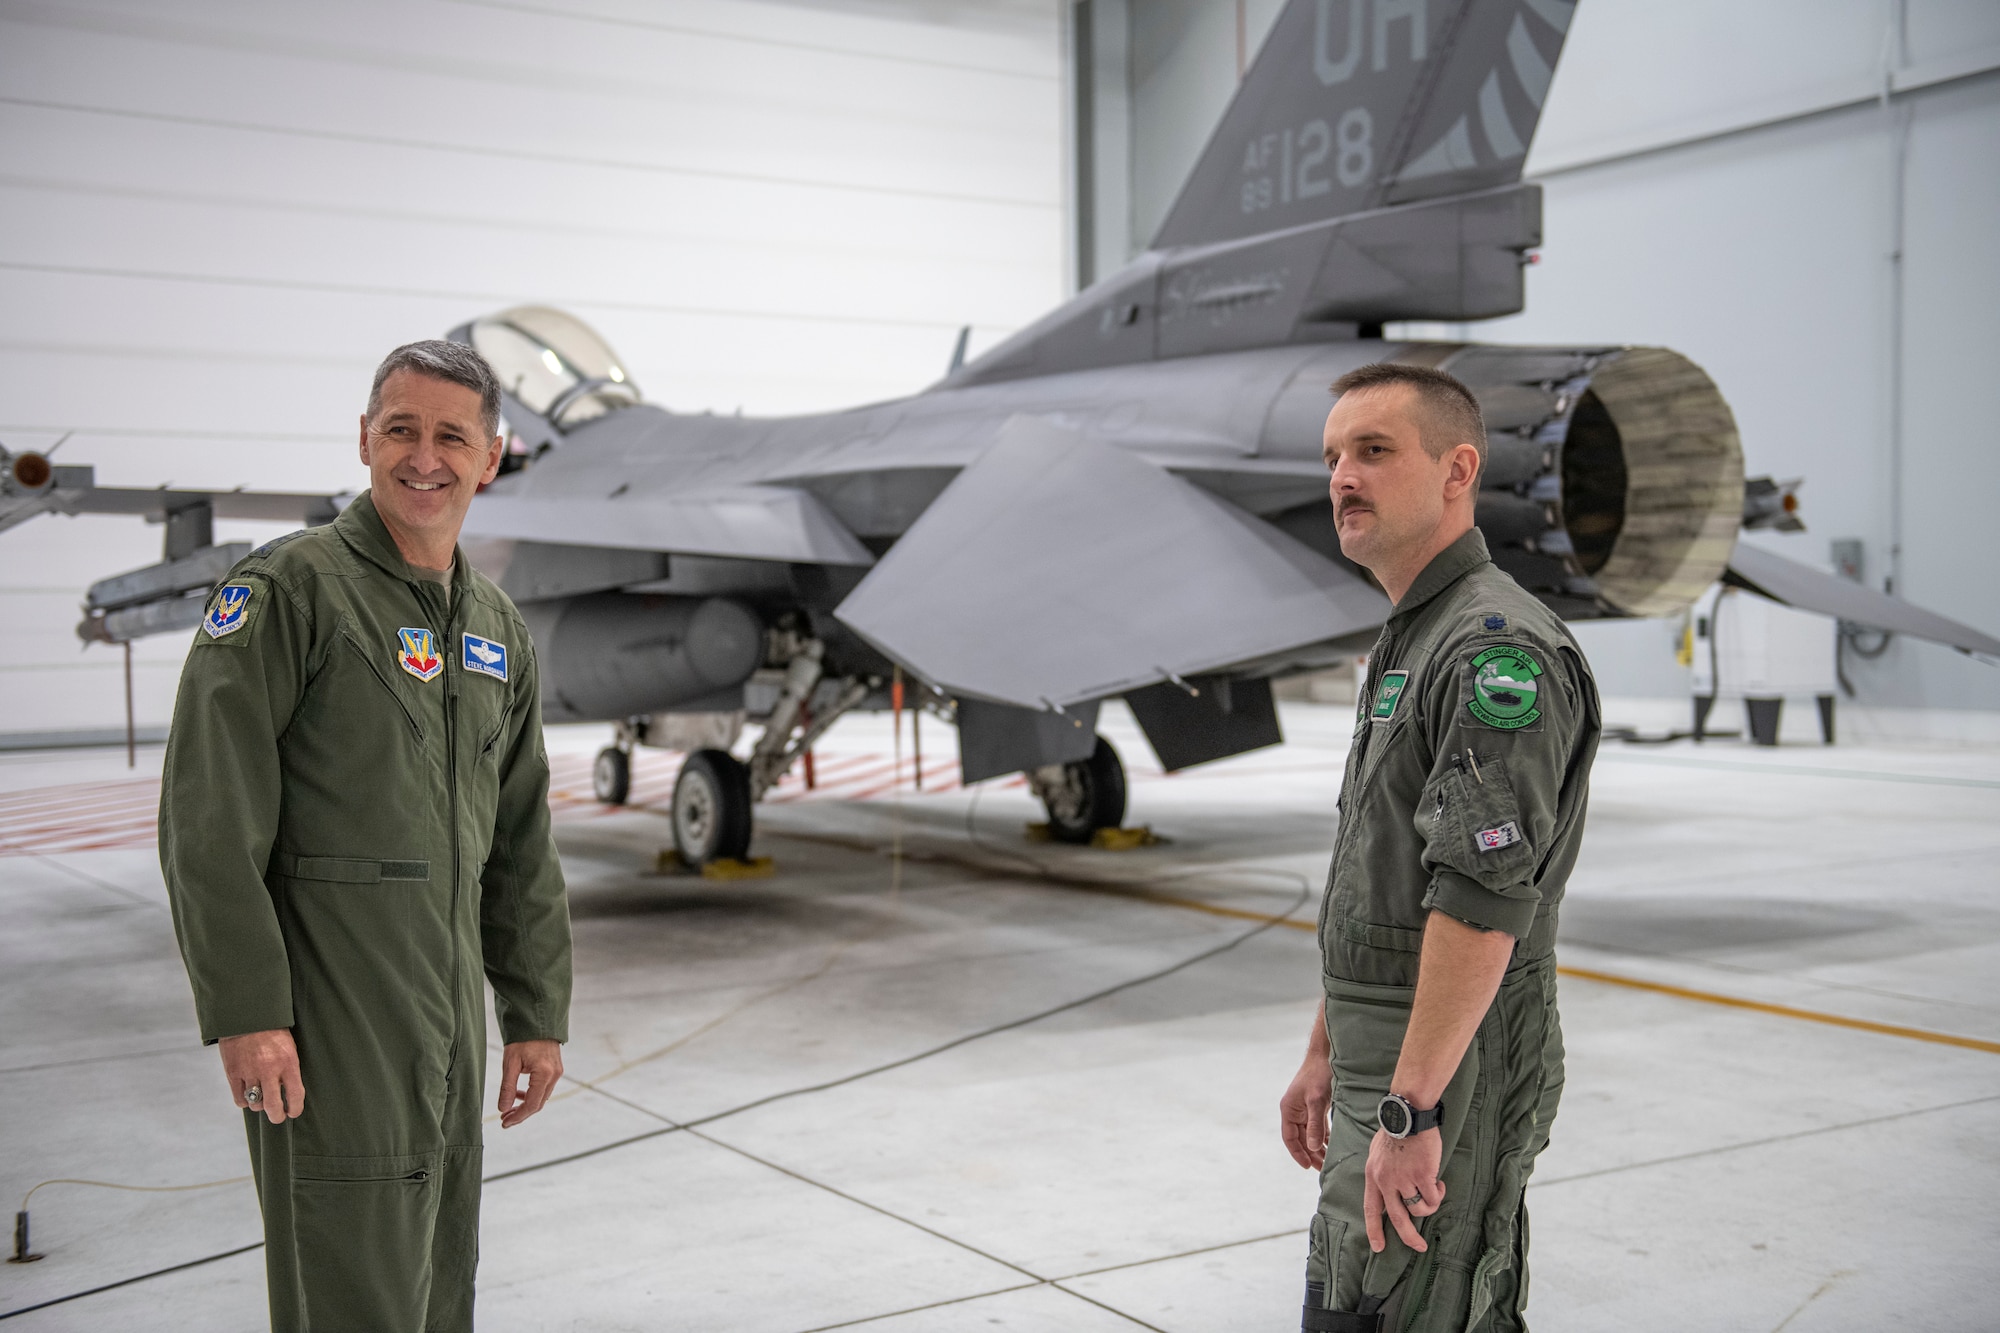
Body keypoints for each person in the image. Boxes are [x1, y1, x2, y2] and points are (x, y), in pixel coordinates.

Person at [159, 340, 573, 1332]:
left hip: (446, 1024)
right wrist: (247, 1009)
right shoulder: (289, 591)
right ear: (363, 439)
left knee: (435, 1280)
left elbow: (518, 838)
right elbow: (207, 818)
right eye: (400, 429)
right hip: (327, 1015)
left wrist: (535, 1009)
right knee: (350, 1286)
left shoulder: (494, 627)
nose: (422, 457)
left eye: (449, 436)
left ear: (490, 455)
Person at [1279, 363, 1600, 1332]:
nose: (1342, 476)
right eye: (1333, 454)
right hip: (1390, 1058)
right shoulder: (1410, 636)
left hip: (1444, 1070)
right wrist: (1323, 1046)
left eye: (1373, 451)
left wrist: (1409, 1111)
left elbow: (1476, 898)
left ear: (1456, 470)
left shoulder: (1488, 650)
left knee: (1407, 1309)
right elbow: (1380, 878)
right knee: (1361, 1294)